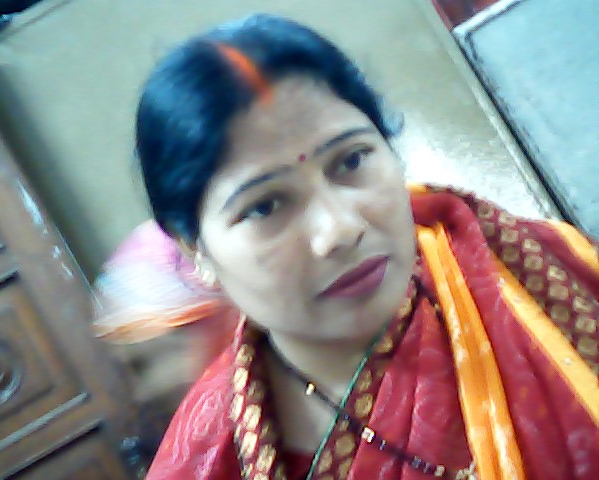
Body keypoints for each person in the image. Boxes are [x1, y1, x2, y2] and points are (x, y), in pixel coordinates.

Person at [131, 14, 599, 480]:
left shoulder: (534, 268)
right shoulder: (208, 463)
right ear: (195, 251)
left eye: (352, 160)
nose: (339, 229)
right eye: (265, 206)